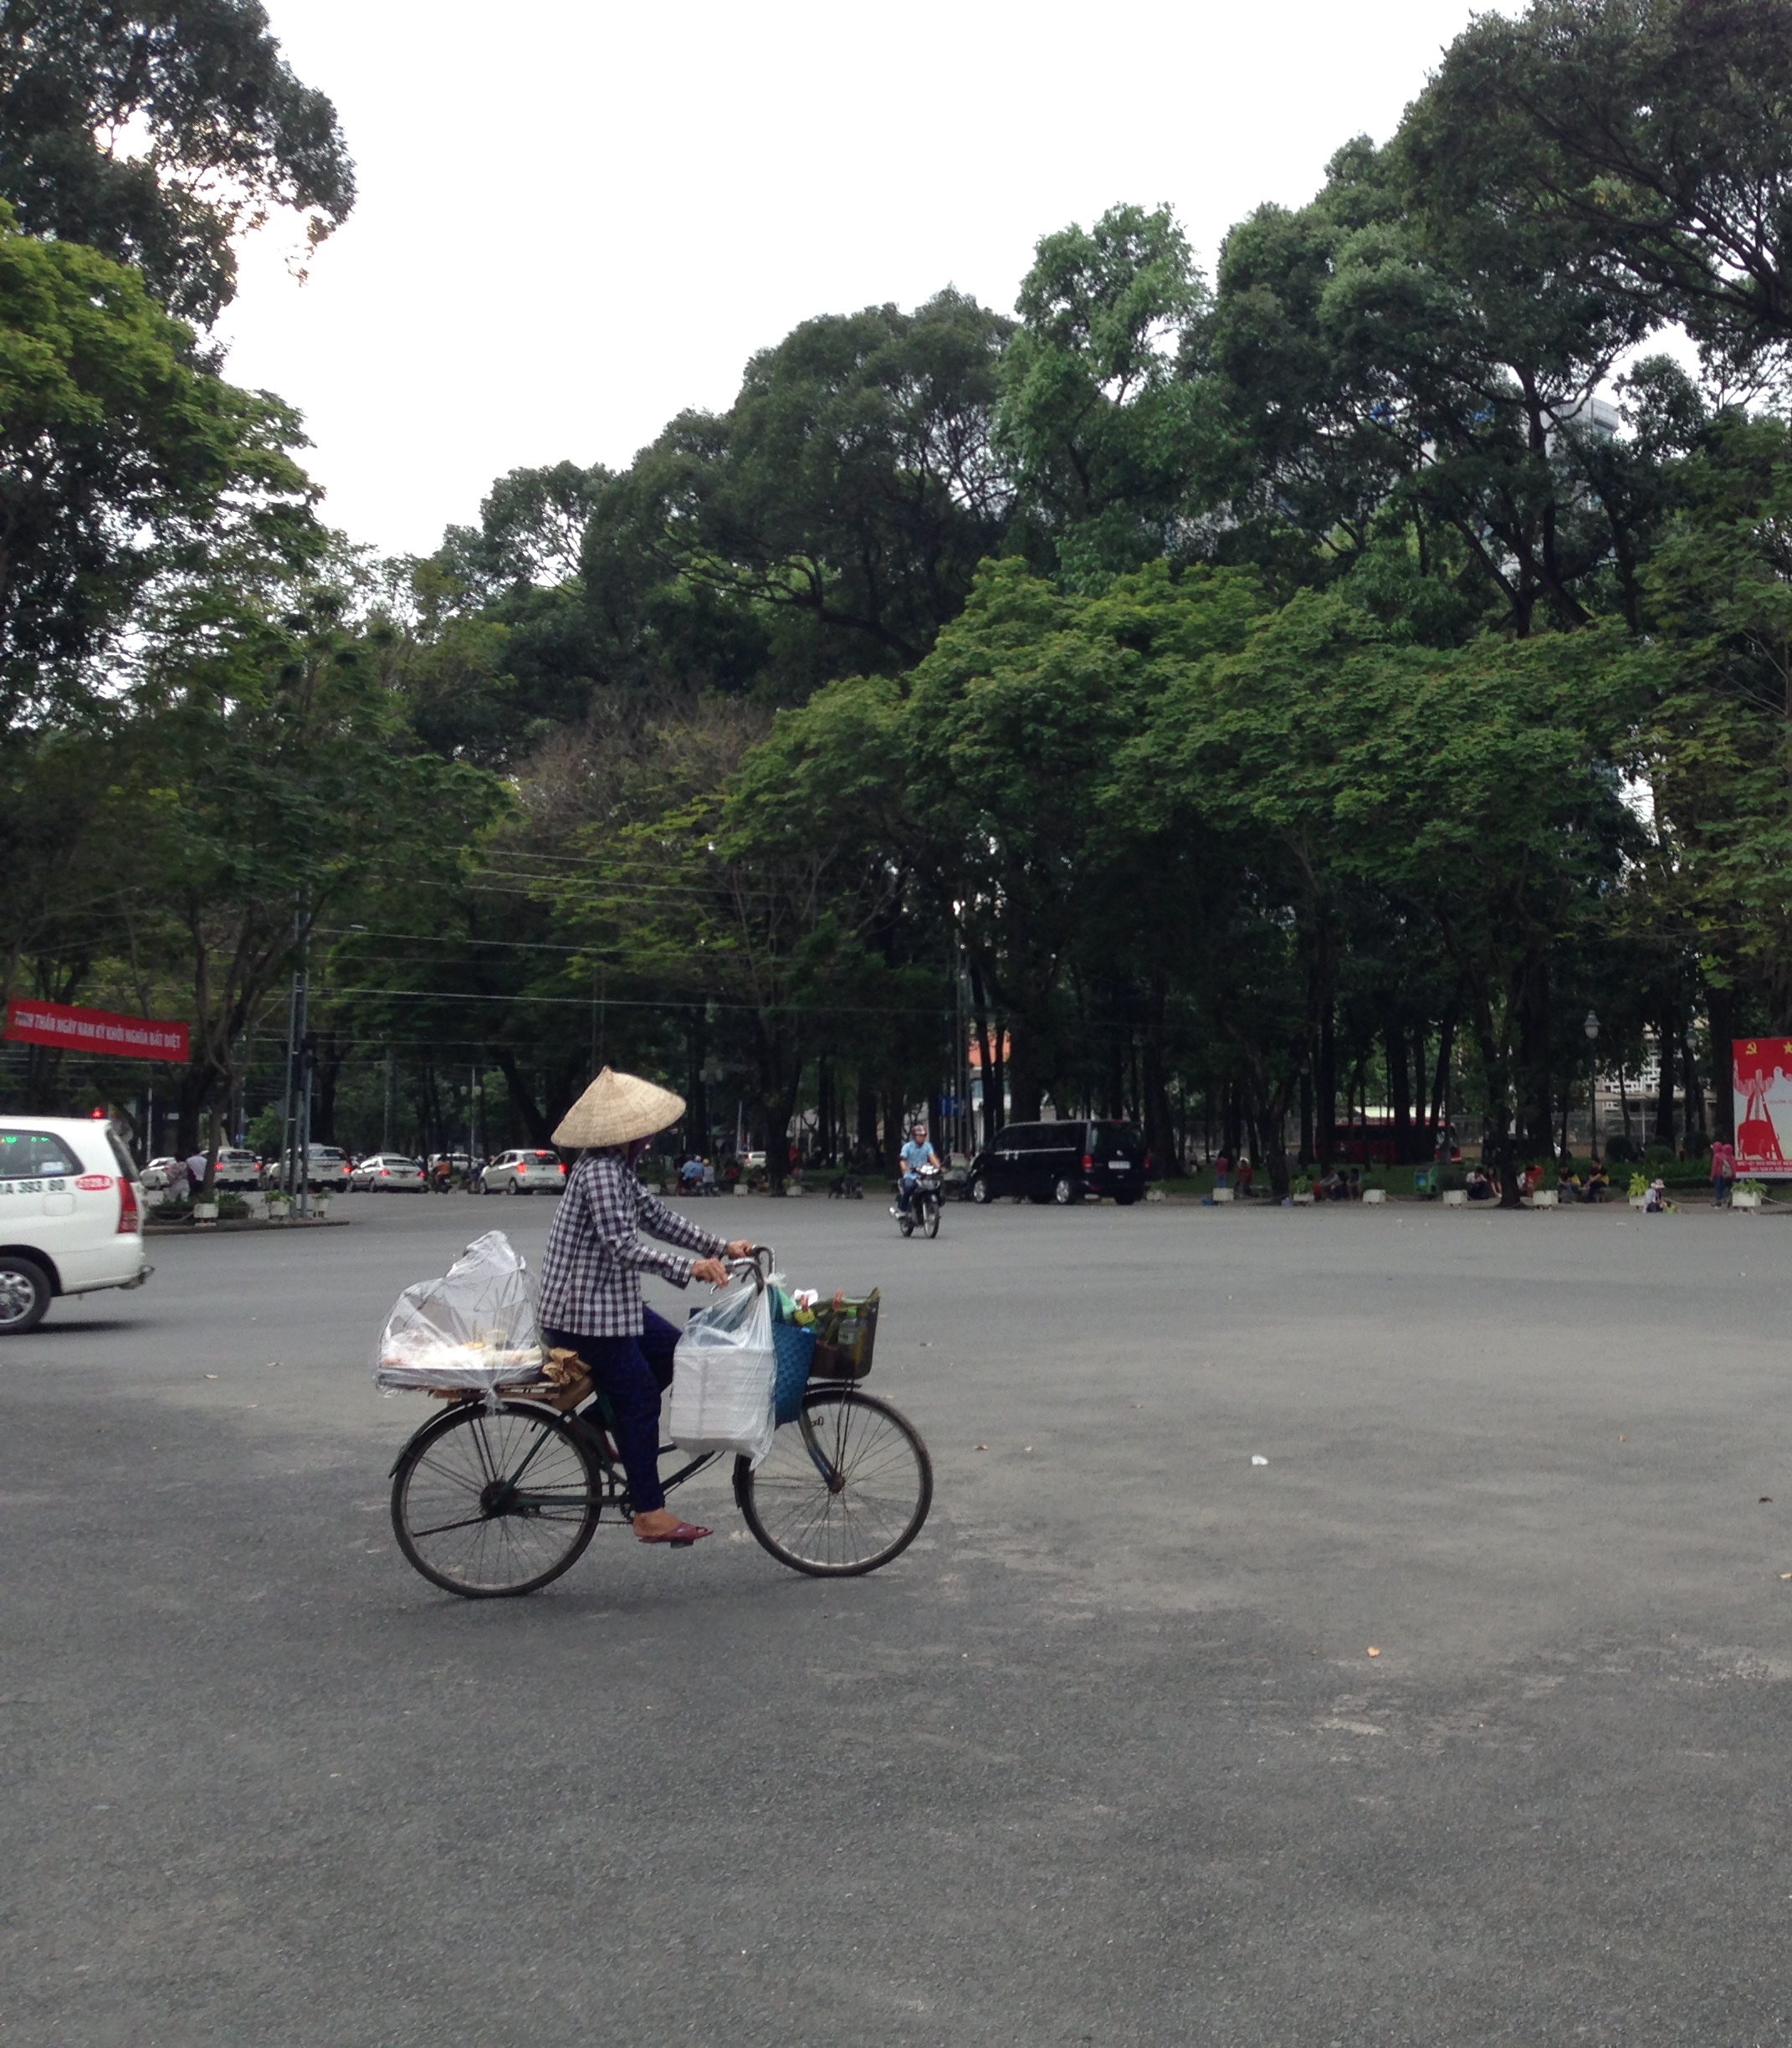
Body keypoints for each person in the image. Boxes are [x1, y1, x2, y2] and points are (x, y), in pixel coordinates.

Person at [538, 1068, 756, 1547]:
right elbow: (621, 1246)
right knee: (639, 1397)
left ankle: (595, 1425)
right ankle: (649, 1511)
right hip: (582, 1317)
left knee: (675, 1351)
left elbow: (656, 1217)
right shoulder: (599, 1172)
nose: (650, 1138)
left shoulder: (617, 1169)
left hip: (608, 1309)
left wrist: (720, 1247)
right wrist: (689, 1268)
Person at [893, 1119, 940, 1218]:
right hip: (911, 1175)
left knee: (935, 1186)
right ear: (915, 1136)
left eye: (923, 1136)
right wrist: (905, 1167)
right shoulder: (907, 1147)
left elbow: (932, 1157)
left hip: (924, 1174)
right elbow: (902, 1160)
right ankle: (903, 1210)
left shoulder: (928, 1146)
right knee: (909, 1187)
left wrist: (938, 1167)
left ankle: (932, 1208)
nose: (922, 1138)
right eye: (919, 1136)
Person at [1711, 1136, 1736, 1208]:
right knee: (1730, 1189)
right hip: (1732, 1175)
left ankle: (1721, 1201)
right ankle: (1731, 1200)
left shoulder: (1717, 1156)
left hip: (1720, 1175)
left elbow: (1715, 1167)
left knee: (1719, 1189)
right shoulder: (1732, 1157)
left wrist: (1712, 1176)